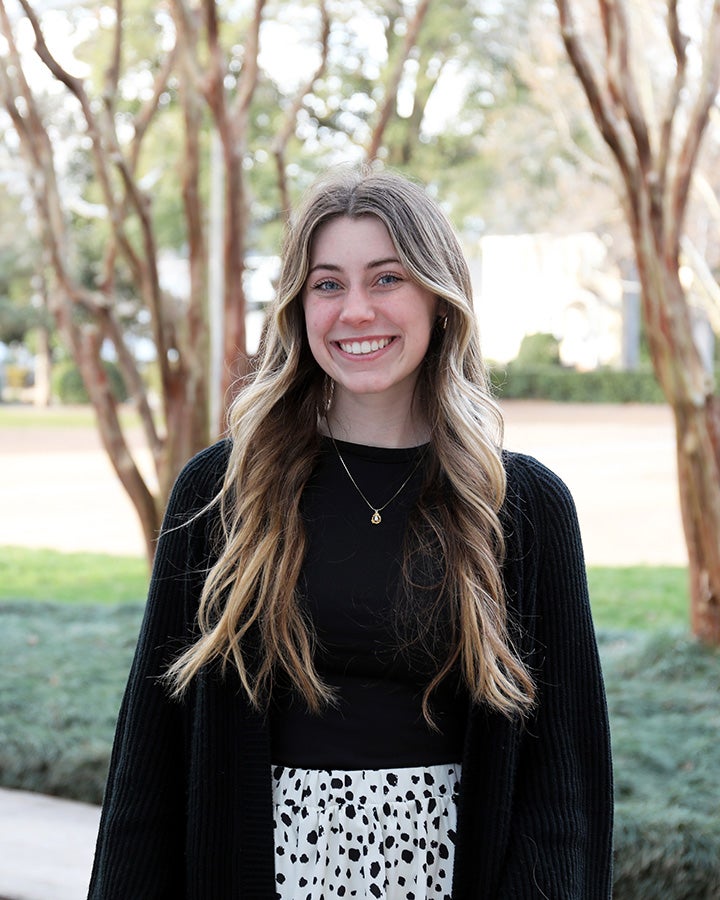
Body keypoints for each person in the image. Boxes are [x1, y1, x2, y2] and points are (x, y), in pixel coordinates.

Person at [88, 166, 613, 900]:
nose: (356, 310)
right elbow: (151, 757)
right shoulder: (220, 493)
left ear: (439, 295)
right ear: (299, 307)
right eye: (327, 284)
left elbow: (564, 783)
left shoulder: (522, 506)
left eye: (387, 278)